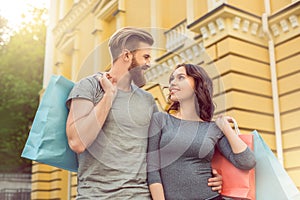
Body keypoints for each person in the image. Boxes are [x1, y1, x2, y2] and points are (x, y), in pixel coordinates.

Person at [66, 27, 223, 199]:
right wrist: (109, 95)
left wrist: (209, 176)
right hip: (96, 195)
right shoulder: (89, 86)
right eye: (145, 57)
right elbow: (77, 142)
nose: (149, 63)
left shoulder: (147, 100)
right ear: (127, 56)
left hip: (140, 195)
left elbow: (169, 150)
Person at [147, 63, 256, 200]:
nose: (172, 83)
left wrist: (226, 129)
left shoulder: (212, 128)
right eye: (171, 79)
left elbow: (247, 162)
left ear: (197, 84)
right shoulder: (161, 120)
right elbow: (152, 169)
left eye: (180, 77)